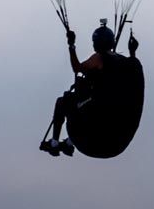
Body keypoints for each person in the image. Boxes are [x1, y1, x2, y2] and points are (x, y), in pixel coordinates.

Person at [41, 21, 140, 156]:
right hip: (115, 128)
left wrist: (71, 45)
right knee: (81, 99)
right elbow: (133, 67)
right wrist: (132, 51)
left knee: (63, 102)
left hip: (98, 111)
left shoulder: (98, 58)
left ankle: (54, 143)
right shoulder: (125, 61)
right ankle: (69, 143)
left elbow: (77, 68)